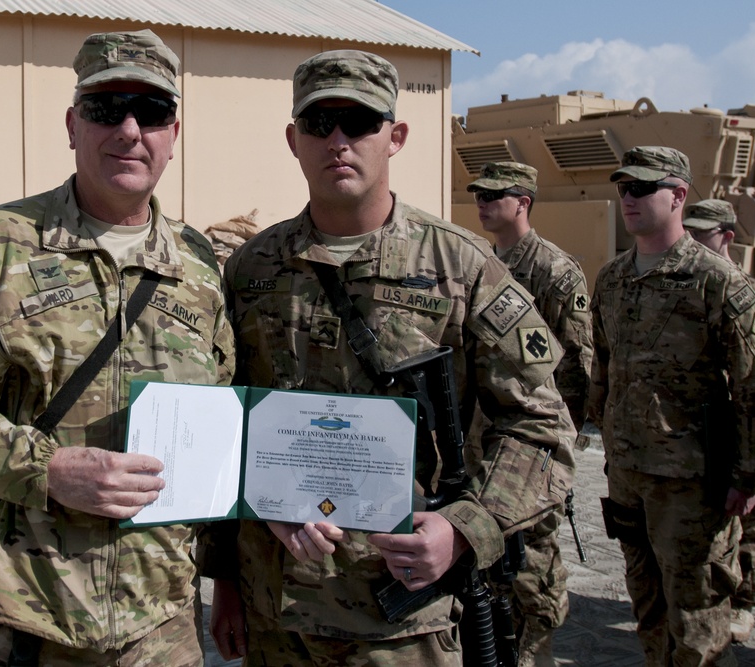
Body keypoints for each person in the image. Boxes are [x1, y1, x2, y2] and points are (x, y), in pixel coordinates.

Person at [199, 49, 576, 665]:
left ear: (394, 136)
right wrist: (226, 579)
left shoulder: (461, 268)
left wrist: (464, 529)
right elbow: (226, 420)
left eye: (360, 121)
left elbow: (541, 425)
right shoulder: (252, 269)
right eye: (320, 124)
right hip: (277, 613)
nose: (339, 140)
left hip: (402, 617)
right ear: (294, 139)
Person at [0, 30, 235, 666]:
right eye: (105, 108)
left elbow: (226, 420)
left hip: (163, 632)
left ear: (174, 133)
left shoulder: (198, 266)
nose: (128, 130)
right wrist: (44, 469)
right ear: (73, 124)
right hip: (16, 628)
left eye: (150, 112)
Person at [587, 147, 755, 665]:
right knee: (647, 609)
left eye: (643, 187)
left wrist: (747, 476)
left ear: (678, 195)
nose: (629, 197)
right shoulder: (612, 278)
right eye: (624, 187)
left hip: (692, 484)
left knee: (697, 621)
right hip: (627, 475)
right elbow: (603, 368)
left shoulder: (716, 281)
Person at [467, 161, 593, 665]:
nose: (484, 203)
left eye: (496, 195)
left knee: (532, 570)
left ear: (524, 202)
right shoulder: (476, 262)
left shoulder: (555, 271)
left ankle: (536, 655)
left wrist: (555, 454)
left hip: (531, 443)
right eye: (479, 194)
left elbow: (577, 369)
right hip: (482, 441)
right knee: (489, 572)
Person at [681, 198, 755, 644]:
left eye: (703, 230)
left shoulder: (752, 291)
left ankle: (746, 602)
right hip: (707, 425)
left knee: (751, 518)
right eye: (691, 228)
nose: (694, 236)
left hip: (745, 422)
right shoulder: (691, 280)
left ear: (727, 235)